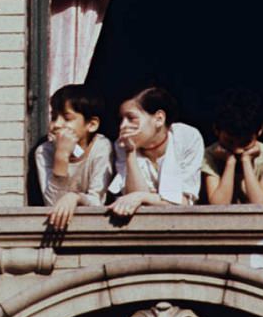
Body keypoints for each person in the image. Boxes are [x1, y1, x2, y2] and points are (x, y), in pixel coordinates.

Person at [107, 86, 204, 218]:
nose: (123, 126)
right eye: (121, 119)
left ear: (159, 119)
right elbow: (132, 202)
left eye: (131, 118)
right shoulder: (122, 145)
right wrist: (130, 152)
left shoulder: (186, 138)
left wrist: (142, 197)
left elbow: (182, 203)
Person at [31, 85, 113, 231]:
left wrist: (75, 198)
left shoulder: (101, 147)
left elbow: (97, 202)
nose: (57, 125)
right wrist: (61, 157)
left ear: (92, 124)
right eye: (54, 117)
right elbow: (53, 205)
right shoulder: (44, 152)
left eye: (67, 118)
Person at [202, 89, 263, 205]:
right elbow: (219, 204)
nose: (237, 150)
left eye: (245, 143)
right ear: (216, 130)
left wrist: (246, 161)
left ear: (260, 131)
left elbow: (260, 204)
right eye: (229, 142)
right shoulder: (208, 155)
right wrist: (230, 162)